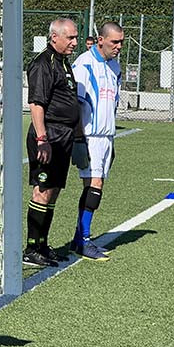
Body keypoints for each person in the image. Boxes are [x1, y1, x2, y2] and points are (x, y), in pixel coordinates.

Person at [23, 17, 80, 268]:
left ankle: (43, 245)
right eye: (70, 37)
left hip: (63, 136)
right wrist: (42, 138)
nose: (75, 42)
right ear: (54, 37)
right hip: (49, 134)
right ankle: (32, 248)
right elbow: (37, 104)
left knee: (53, 190)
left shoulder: (63, 63)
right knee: (42, 190)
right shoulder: (42, 63)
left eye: (75, 37)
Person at [70, 21, 124, 261]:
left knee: (95, 187)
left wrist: (111, 135)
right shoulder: (84, 64)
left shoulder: (115, 66)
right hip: (89, 136)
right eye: (115, 42)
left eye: (121, 42)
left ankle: (78, 239)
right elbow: (75, 104)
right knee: (94, 186)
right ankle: (84, 240)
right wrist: (79, 139)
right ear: (100, 40)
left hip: (106, 136)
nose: (119, 46)